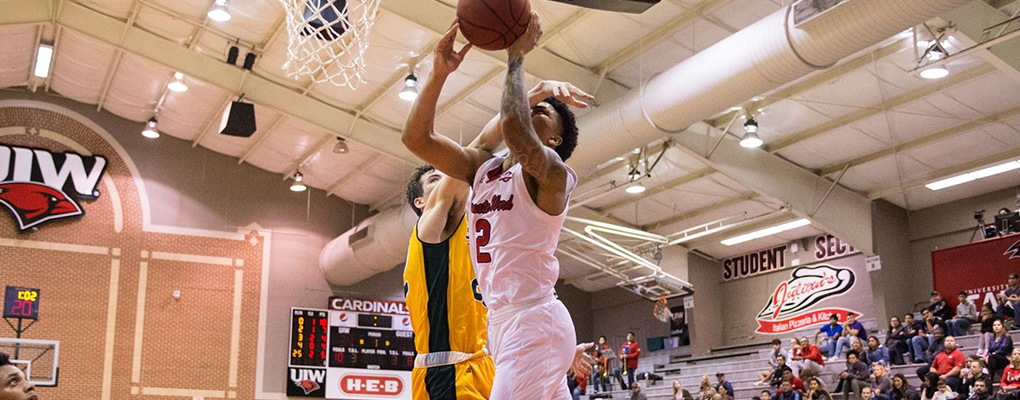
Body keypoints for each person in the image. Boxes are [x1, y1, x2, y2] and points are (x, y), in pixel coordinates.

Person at [401, 13, 596, 400]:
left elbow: (514, 127)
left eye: (544, 113)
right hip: (504, 327)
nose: (535, 110)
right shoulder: (483, 170)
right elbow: (417, 139)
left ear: (555, 140)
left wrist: (516, 56)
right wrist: (439, 72)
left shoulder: (553, 174)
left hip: (533, 320)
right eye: (535, 107)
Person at [403, 117, 503, 398]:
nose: (447, 178)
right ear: (421, 203)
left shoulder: (473, 236)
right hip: (446, 372)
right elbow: (473, 154)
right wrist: (523, 105)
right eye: (436, 178)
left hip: (480, 363)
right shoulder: (430, 230)